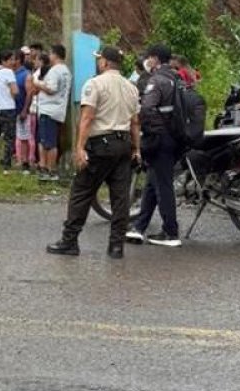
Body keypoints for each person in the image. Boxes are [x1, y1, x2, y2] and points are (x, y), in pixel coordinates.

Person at [46, 46, 141, 260]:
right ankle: (116, 246)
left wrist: (79, 148)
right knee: (120, 198)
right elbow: (135, 122)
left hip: (101, 144)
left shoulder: (94, 84)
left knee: (82, 192)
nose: (99, 63)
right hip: (123, 144)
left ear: (105, 63)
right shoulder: (131, 87)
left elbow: (87, 118)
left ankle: (69, 240)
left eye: (100, 60)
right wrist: (137, 149)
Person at [127, 45, 185, 248]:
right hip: (175, 137)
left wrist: (149, 130)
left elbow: (148, 109)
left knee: (164, 186)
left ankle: (171, 233)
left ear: (155, 59)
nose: (147, 61)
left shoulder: (157, 80)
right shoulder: (177, 79)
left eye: (149, 58)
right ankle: (139, 228)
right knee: (153, 184)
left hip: (160, 139)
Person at [32, 44, 71, 182]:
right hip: (58, 109)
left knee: (49, 142)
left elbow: (51, 88)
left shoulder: (55, 71)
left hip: (49, 110)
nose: (49, 56)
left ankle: (49, 169)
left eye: (50, 53)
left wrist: (37, 83)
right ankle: (46, 168)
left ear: (55, 54)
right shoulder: (66, 70)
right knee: (47, 140)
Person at [14, 47, 37, 174]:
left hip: (22, 111)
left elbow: (30, 93)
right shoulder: (12, 73)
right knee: (18, 137)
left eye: (13, 59)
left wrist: (25, 110)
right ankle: (19, 159)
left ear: (18, 60)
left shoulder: (26, 75)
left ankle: (25, 162)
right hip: (13, 111)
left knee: (24, 138)